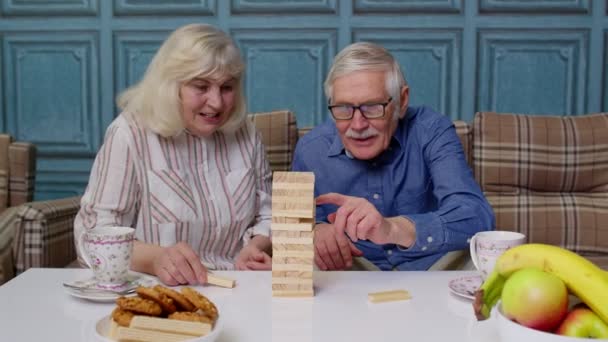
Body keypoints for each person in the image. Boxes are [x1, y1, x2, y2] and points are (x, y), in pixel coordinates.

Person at [74, 23, 272, 285]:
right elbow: (93, 236)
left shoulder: (246, 133)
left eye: (226, 87)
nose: (217, 102)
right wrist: (155, 259)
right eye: (201, 87)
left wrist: (255, 247)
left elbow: (269, 214)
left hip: (238, 287)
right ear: (171, 85)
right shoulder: (129, 134)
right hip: (154, 290)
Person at [292, 42, 495, 271]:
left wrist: (392, 229)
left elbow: (476, 216)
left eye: (372, 107)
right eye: (344, 108)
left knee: (486, 259)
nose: (357, 125)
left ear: (402, 100)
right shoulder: (310, 150)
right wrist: (317, 230)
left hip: (430, 266)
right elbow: (297, 226)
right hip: (352, 272)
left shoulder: (430, 130)